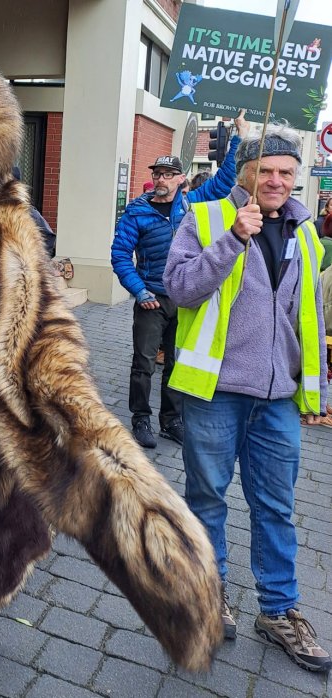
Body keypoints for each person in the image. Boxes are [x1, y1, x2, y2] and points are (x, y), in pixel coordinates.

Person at [164, 124, 331, 673]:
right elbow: (180, 289)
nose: (277, 181)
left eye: (287, 172)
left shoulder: (306, 232)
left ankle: (279, 611)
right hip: (214, 393)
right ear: (246, 175)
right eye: (267, 172)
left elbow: (308, 316)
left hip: (278, 397)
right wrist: (231, 240)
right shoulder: (207, 218)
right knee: (207, 500)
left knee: (276, 507)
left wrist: (315, 388)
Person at [110, 111, 248, 449]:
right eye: (157, 173)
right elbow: (119, 256)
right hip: (151, 298)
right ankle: (140, 419)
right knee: (143, 363)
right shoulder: (136, 212)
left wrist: (238, 138)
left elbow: (226, 179)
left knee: (177, 362)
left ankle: (171, 420)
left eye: (168, 174)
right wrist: (140, 291)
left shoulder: (192, 203)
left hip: (184, 298)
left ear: (180, 179)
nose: (161, 179)